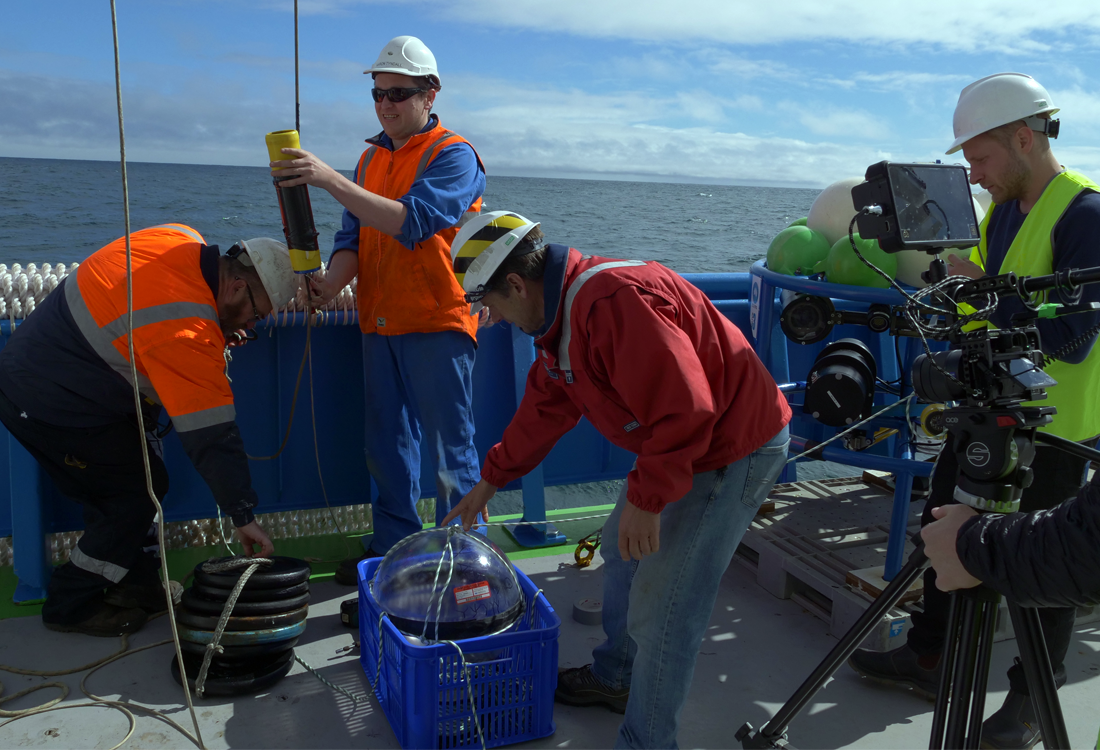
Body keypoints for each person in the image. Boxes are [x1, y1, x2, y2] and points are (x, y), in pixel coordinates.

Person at [440, 211, 792, 750]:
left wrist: (649, 501)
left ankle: (646, 741)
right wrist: (491, 480)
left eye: (489, 304)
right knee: (620, 547)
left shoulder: (611, 303)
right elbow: (546, 406)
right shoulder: (560, 319)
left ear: (515, 283)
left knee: (666, 608)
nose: (493, 317)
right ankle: (617, 676)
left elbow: (688, 409)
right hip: (681, 444)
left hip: (731, 445)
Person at [848, 72, 1100, 749]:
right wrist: (954, 287)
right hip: (985, 411)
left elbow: (1073, 339)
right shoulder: (1004, 211)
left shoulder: (1087, 215)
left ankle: (1022, 709)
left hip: (1054, 435)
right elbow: (983, 303)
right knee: (942, 524)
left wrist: (990, 293)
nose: (976, 176)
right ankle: (929, 655)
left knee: (1041, 574)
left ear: (1024, 139)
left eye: (981, 160)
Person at [0, 224, 289, 637]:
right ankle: (71, 602)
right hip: (46, 402)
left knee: (134, 475)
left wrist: (219, 326)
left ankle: (137, 584)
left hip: (47, 371)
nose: (250, 326)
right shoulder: (186, 327)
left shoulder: (181, 237)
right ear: (237, 286)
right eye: (256, 315)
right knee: (132, 495)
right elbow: (212, 438)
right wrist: (242, 515)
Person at [268, 36, 486, 585]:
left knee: (448, 452)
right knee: (386, 445)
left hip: (437, 324)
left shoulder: (454, 155)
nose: (386, 104)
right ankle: (397, 548)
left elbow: (413, 221)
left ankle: (466, 563)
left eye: (399, 93)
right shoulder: (369, 159)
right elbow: (354, 237)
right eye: (378, 94)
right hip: (379, 324)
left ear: (430, 94)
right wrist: (329, 286)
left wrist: (329, 180)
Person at [923, 472, 1100, 749]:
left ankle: (1031, 702)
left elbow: (1085, 550)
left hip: (1055, 446)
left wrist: (975, 543)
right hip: (985, 443)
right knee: (941, 524)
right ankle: (927, 653)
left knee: (1048, 588)